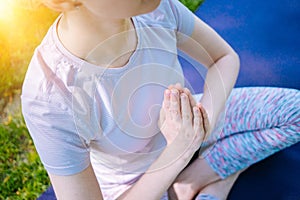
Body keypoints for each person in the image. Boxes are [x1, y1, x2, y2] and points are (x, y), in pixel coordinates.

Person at [21, 0, 300, 199]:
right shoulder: (50, 99)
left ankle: (199, 180)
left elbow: (223, 58)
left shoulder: (157, 9)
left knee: (295, 113)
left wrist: (202, 124)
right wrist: (177, 152)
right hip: (138, 186)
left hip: (191, 122)